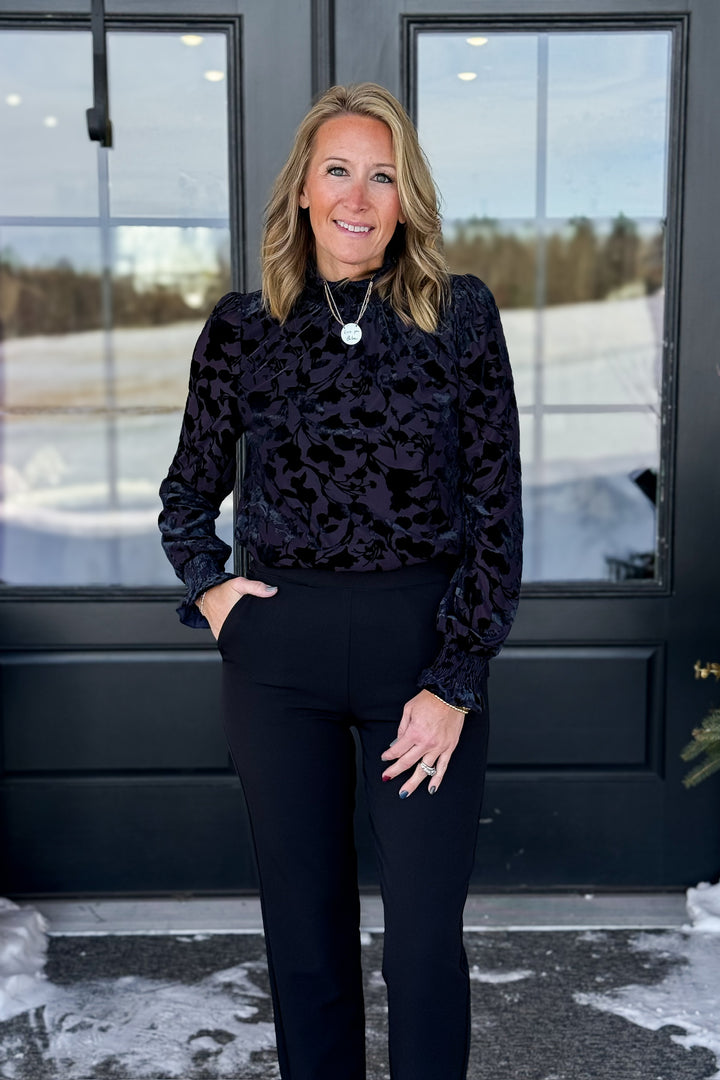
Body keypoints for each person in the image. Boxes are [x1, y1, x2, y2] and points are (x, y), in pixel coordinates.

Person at [159, 82, 522, 1080]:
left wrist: (455, 682)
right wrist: (215, 591)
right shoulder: (242, 330)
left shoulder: (461, 317)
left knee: (420, 944)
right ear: (305, 192)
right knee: (306, 941)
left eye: (383, 174)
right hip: (282, 661)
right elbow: (185, 497)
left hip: (425, 646)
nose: (359, 195)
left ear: (405, 200)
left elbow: (496, 517)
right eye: (339, 170)